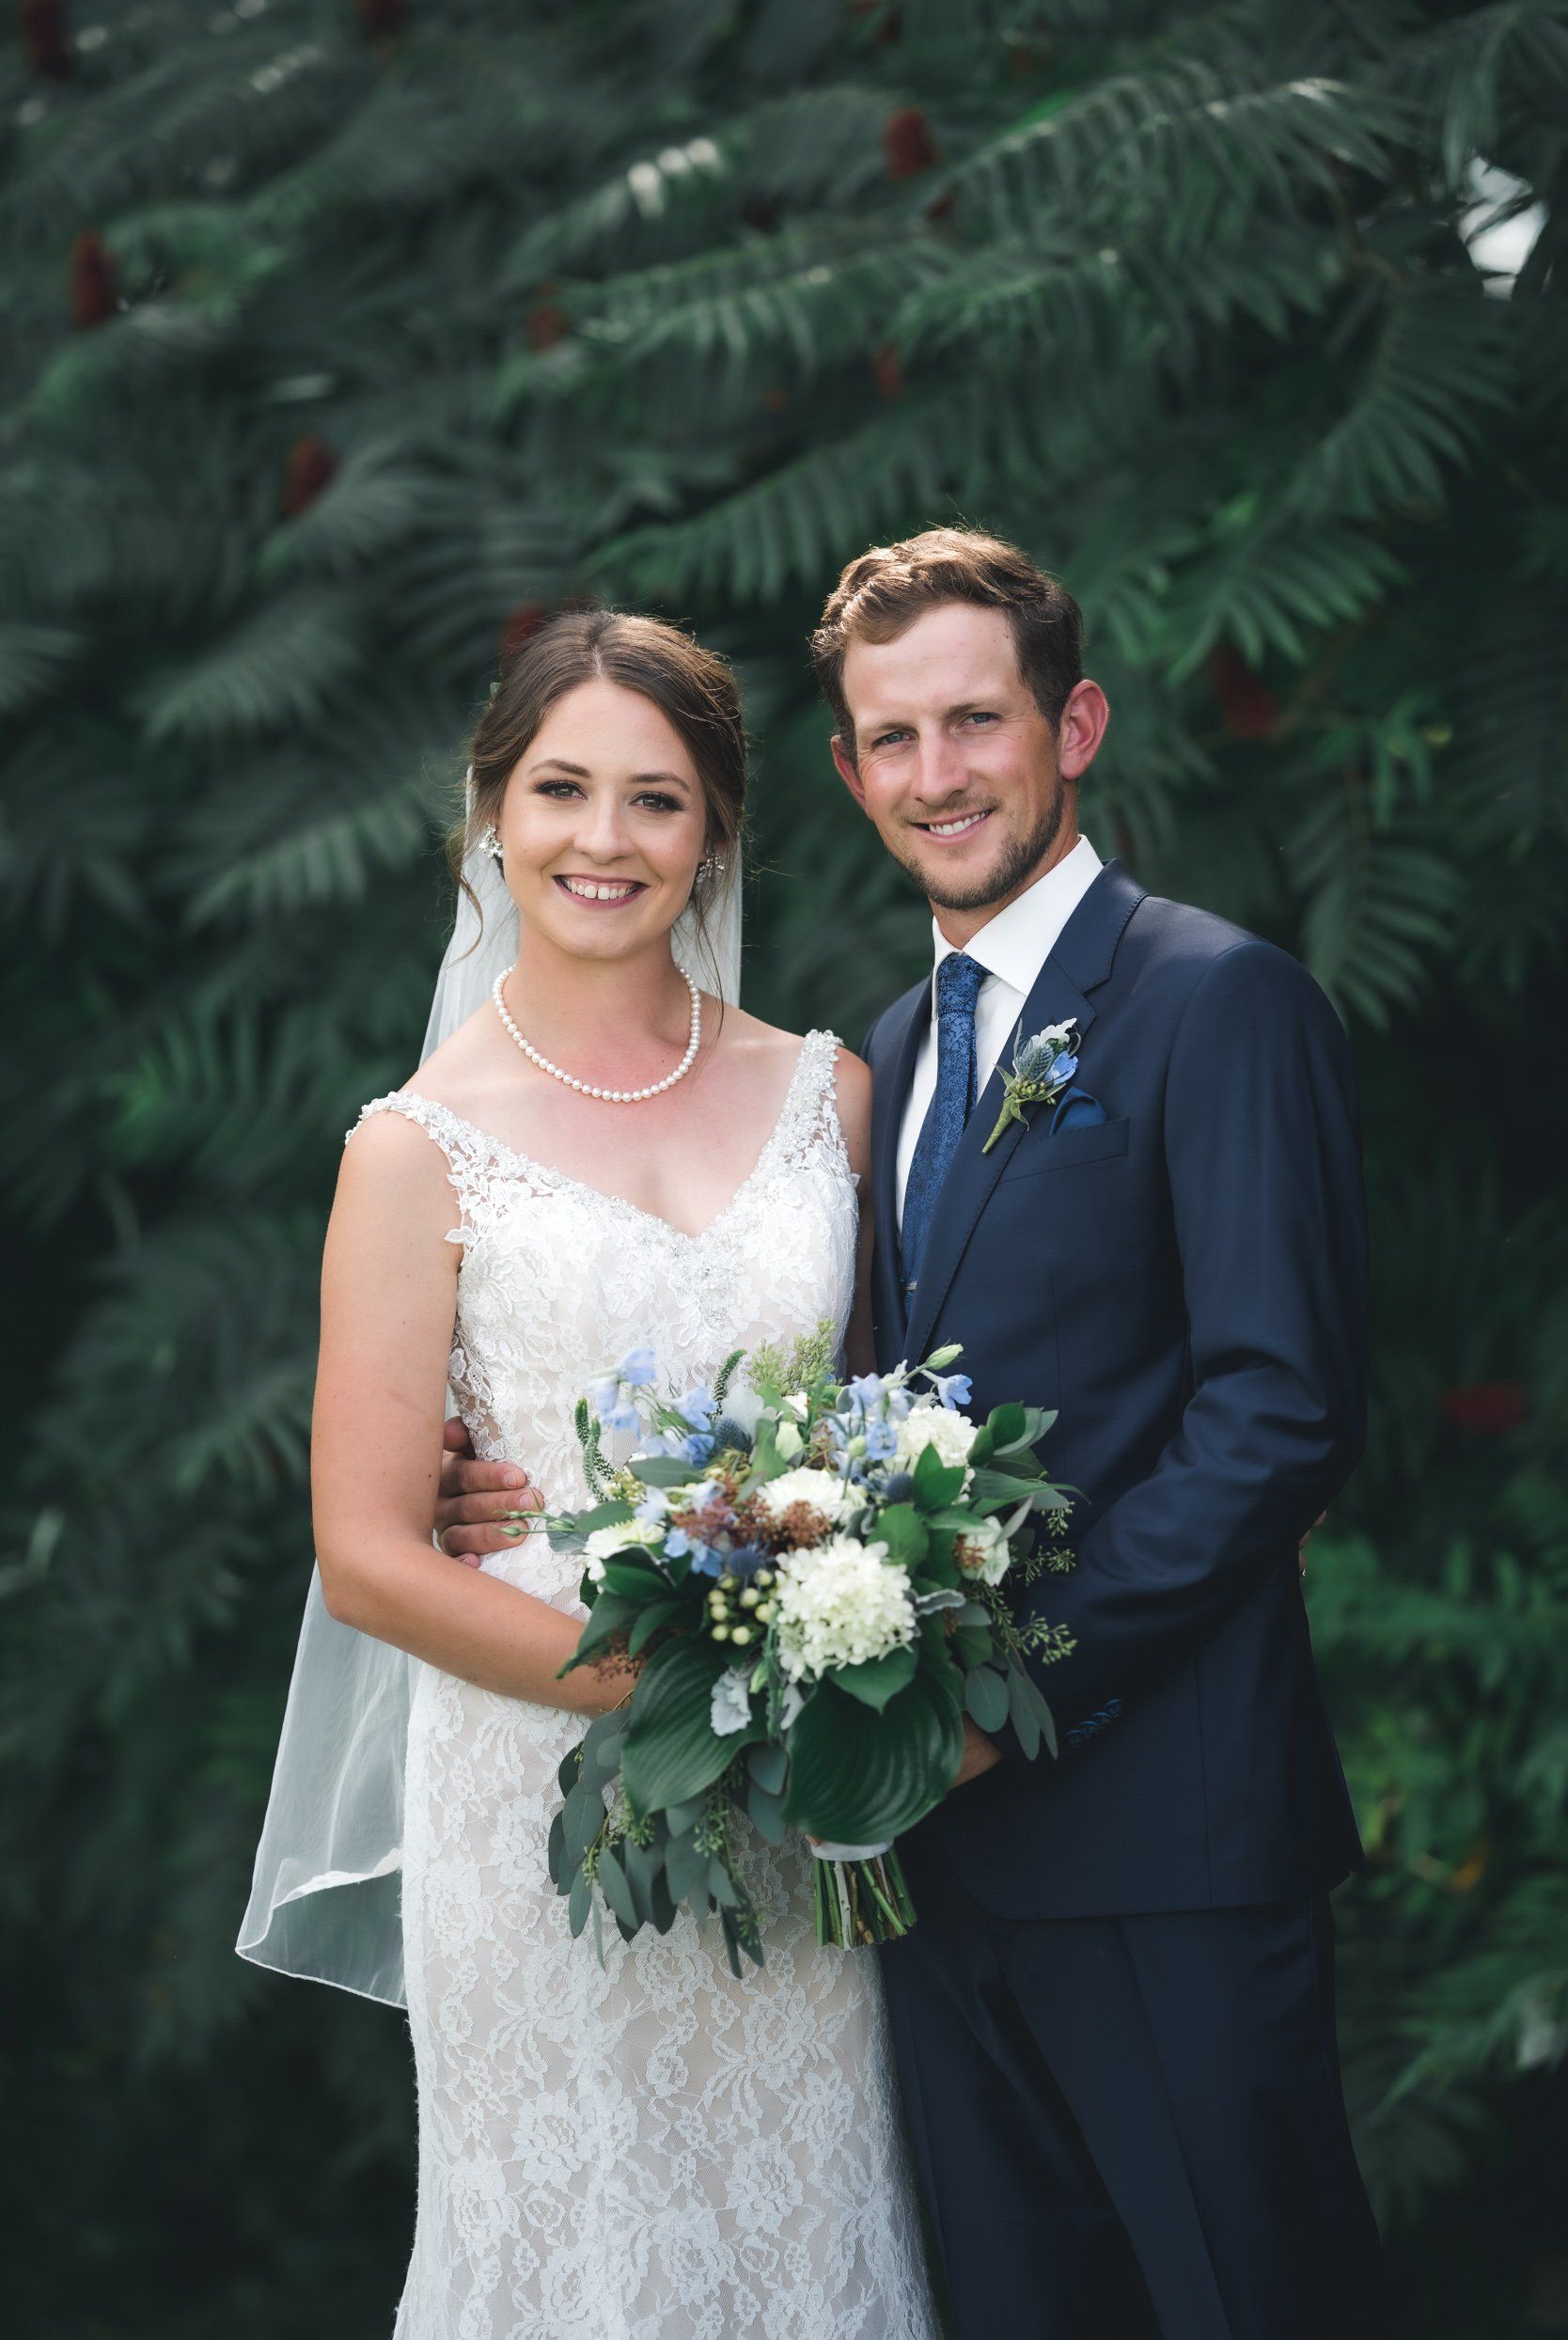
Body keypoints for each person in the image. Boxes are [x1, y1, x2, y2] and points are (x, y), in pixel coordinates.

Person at [441, 528, 1385, 2339]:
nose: (937, 775)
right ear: (847, 771)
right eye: (893, 738)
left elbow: (1281, 1418)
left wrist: (999, 1689)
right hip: (926, 1881)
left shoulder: (1215, 1000)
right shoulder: (886, 1052)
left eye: (976, 722)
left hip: (1166, 1845)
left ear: (1075, 725)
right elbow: (837, 1402)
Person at [238, 609, 937, 2340]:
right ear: (491, 812)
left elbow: (875, 1434)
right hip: (551, 1790)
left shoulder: (829, 1096)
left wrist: (811, 1668)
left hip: (799, 1789)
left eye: (656, 801)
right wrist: (659, 1683)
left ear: (715, 838)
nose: (603, 842)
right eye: (560, 790)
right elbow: (367, 1554)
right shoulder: (413, 1152)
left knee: (818, 2215)